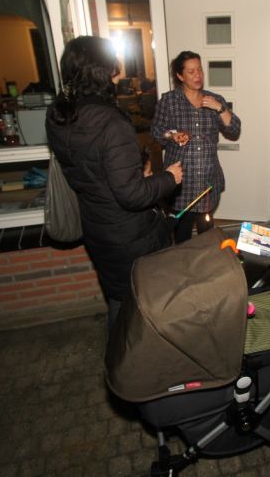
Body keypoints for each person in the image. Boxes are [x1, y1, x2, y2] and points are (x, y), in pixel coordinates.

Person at [46, 36, 183, 334]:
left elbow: (91, 167)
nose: (117, 74)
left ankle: (119, 356)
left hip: (96, 226)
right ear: (101, 71)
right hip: (129, 235)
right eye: (112, 68)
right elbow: (131, 194)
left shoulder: (58, 114)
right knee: (145, 303)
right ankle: (142, 358)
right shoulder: (111, 121)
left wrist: (135, 166)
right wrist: (169, 177)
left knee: (120, 297)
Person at [151, 50, 241, 243]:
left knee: (206, 232)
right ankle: (184, 260)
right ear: (180, 76)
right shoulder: (169, 101)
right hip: (181, 182)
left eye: (199, 69)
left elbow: (234, 129)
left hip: (207, 180)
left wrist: (220, 107)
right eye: (191, 71)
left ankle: (206, 259)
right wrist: (172, 136)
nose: (198, 75)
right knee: (182, 233)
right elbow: (157, 132)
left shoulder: (214, 99)